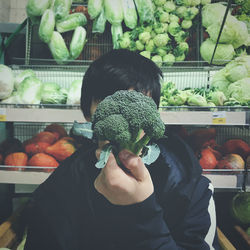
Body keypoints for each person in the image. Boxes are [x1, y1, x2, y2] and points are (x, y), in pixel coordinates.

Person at [24, 49, 219, 250]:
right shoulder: (61, 185)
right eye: (108, 102)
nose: (123, 119)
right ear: (87, 112)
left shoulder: (191, 188)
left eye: (138, 105)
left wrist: (142, 211)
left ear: (153, 114)